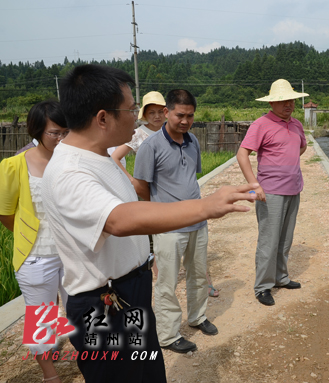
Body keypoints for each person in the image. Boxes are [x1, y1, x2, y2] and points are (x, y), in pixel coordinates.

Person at [41, 64, 257, 383]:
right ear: (103, 118)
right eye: (131, 109)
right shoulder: (69, 172)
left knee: (148, 373)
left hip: (131, 293)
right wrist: (204, 207)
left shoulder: (99, 155)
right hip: (105, 308)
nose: (138, 117)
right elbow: (117, 219)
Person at [132, 89, 217, 354]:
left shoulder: (193, 141)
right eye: (180, 115)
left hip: (198, 221)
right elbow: (142, 186)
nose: (185, 121)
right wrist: (161, 212)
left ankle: (198, 316)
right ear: (167, 112)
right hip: (168, 227)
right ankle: (168, 335)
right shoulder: (151, 146)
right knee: (167, 281)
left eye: (190, 116)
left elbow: (190, 177)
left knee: (198, 273)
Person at [0, 101, 69, 383]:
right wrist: (31, 237)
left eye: (66, 132)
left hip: (72, 254)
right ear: (37, 131)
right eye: (55, 133)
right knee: (41, 319)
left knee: (81, 310)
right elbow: (6, 214)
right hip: (37, 257)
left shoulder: (72, 161)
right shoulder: (15, 165)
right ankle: (50, 375)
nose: (61, 139)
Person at [236, 79, 308, 306]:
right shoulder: (261, 124)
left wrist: (288, 165)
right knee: (269, 240)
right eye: (282, 100)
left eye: (291, 100)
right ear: (272, 103)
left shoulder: (296, 124)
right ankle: (263, 286)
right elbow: (242, 154)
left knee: (286, 238)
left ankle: (280, 277)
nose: (288, 104)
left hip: (293, 188)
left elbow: (301, 147)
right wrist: (254, 185)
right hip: (270, 192)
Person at [110, 91, 166, 190]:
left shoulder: (170, 131)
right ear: (144, 114)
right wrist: (131, 180)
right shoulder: (138, 134)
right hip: (148, 187)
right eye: (152, 112)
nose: (157, 116)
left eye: (160, 111)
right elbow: (115, 157)